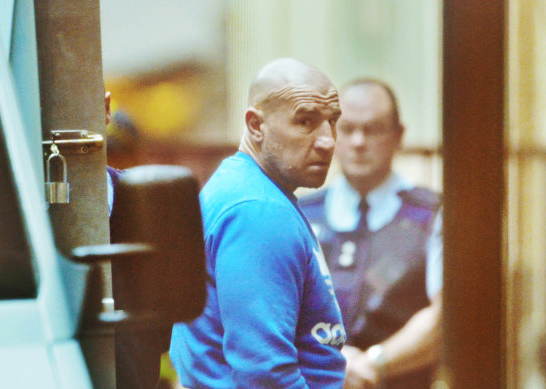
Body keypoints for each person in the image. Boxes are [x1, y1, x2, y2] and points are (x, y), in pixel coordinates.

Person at [169, 58, 347, 388]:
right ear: (255, 126)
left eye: (332, 122)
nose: (328, 140)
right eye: (306, 122)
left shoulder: (246, 188)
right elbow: (265, 375)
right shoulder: (259, 210)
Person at [300, 79, 442, 389]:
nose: (358, 142)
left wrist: (372, 363)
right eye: (347, 129)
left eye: (373, 129)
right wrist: (330, 363)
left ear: (398, 136)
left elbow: (444, 316)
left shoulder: (432, 214)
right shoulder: (300, 213)